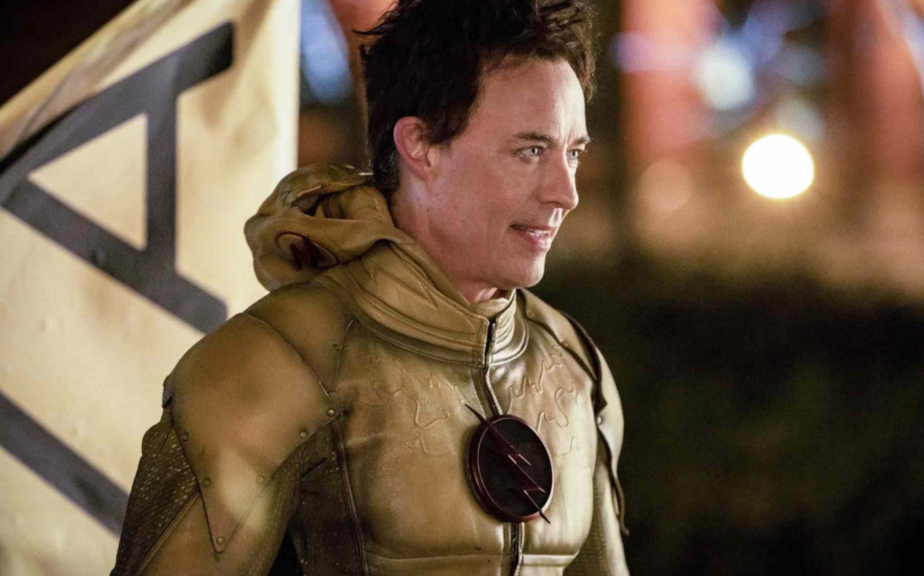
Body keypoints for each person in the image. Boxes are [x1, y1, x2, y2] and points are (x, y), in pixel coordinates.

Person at [111, 0, 628, 574]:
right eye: (530, 151)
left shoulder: (573, 366)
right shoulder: (267, 366)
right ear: (420, 146)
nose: (566, 193)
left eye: (573, 153)